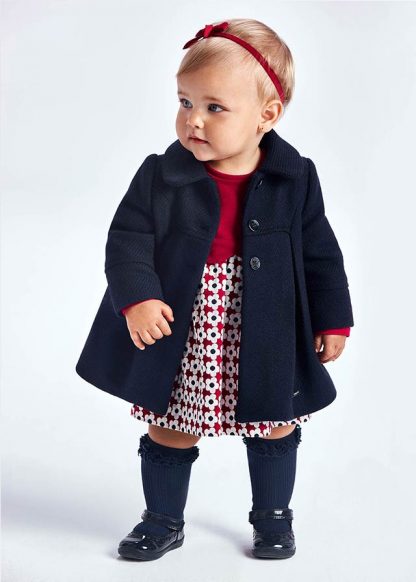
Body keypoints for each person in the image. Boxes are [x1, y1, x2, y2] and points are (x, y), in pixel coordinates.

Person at [76, 18, 354, 561]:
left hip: (267, 323)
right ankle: (162, 519)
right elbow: (127, 239)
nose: (193, 120)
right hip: (187, 323)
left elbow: (321, 252)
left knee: (274, 424)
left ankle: (273, 518)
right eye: (185, 102)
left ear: (267, 116)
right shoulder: (160, 174)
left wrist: (332, 317)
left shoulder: (295, 179)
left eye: (214, 107)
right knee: (171, 423)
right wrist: (138, 297)